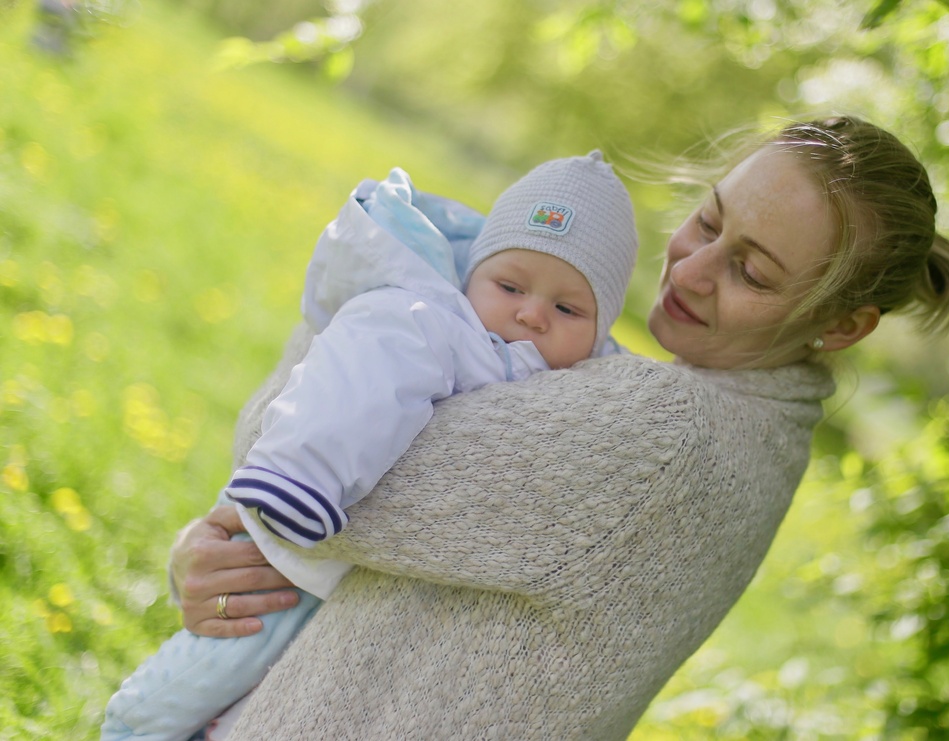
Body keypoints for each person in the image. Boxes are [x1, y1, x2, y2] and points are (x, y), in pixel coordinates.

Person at [163, 116, 949, 739]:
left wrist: (378, 303)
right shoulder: (734, 431)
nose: (691, 269)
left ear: (840, 327)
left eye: (751, 271)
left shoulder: (664, 438)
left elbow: (303, 454)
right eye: (708, 221)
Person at [100, 152, 639, 741]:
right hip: (296, 543)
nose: (531, 313)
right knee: (177, 694)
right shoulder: (433, 322)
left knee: (251, 707)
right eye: (509, 285)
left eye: (567, 308)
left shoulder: (590, 395)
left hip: (369, 616)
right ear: (470, 277)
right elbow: (361, 376)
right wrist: (299, 479)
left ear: (598, 334)